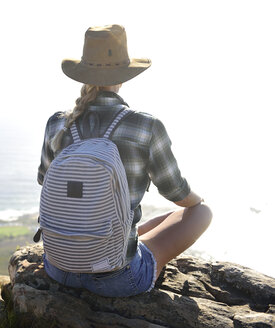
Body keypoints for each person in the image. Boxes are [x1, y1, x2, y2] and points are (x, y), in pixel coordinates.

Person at [37, 25, 212, 297]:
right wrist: (198, 201)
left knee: (150, 222)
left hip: (59, 267)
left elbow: (44, 181)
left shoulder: (57, 123)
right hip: (118, 278)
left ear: (83, 73)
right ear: (123, 76)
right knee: (201, 212)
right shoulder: (145, 126)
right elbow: (176, 192)